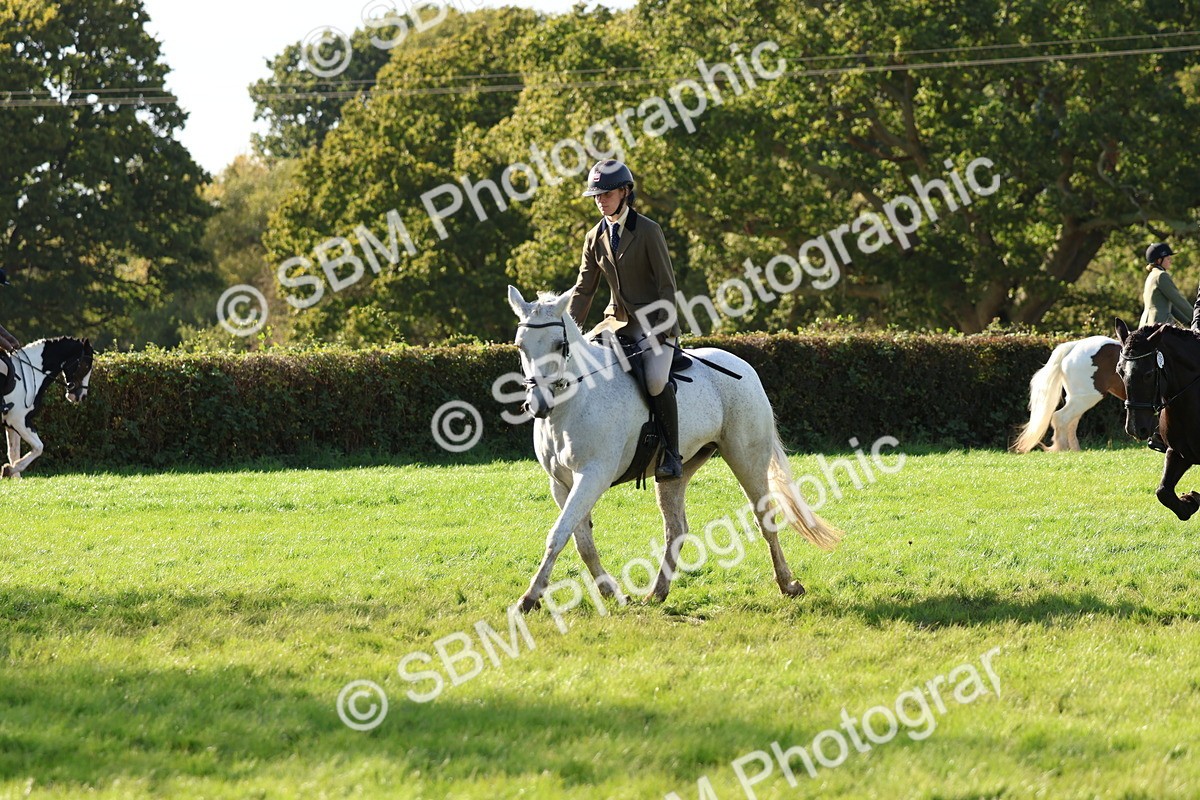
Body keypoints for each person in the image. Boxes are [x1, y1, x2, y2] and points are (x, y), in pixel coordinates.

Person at [567, 159, 683, 480]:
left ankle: (672, 454)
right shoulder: (593, 237)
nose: (600, 200)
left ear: (625, 192)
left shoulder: (648, 231)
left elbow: (666, 286)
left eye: (606, 194)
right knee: (580, 363)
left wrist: (660, 331)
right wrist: (569, 334)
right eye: (596, 195)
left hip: (655, 323)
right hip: (614, 323)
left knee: (656, 381)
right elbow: (583, 290)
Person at [1141, 242, 1191, 327]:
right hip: (1159, 325)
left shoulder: (1151, 276)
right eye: (1168, 258)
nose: (1170, 261)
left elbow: (1173, 308)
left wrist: (1190, 322)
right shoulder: (1161, 275)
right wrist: (1197, 318)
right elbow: (1179, 300)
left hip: (1146, 324)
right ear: (1159, 260)